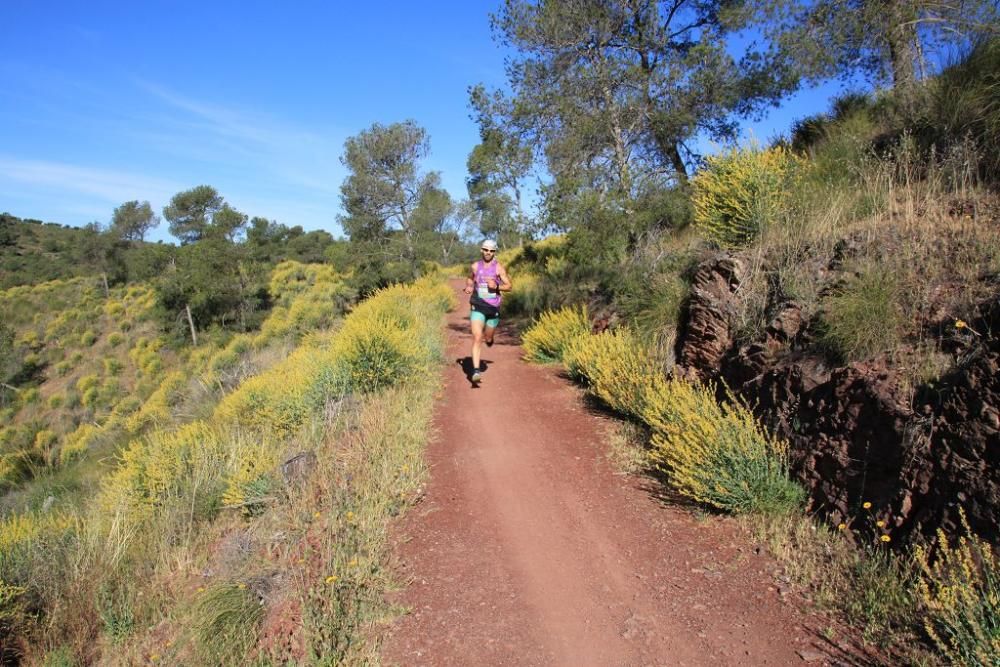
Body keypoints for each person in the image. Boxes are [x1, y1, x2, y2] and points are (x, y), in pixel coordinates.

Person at [463, 239, 512, 384]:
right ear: (481, 250)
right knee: (477, 337)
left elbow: (509, 286)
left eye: (491, 251)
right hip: (477, 304)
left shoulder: (498, 268)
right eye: (486, 250)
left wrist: (496, 287)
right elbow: (470, 279)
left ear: (494, 252)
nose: (488, 253)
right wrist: (469, 286)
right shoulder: (475, 266)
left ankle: (490, 339)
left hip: (493, 307)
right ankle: (476, 371)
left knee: (488, 338)